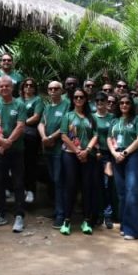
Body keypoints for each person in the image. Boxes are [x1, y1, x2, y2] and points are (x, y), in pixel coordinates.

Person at [0, 75, 28, 232]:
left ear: (12, 87)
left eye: (7, 86)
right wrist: (1, 141)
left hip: (16, 151)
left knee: (18, 183)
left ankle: (19, 216)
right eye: (1, 86)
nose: (4, 88)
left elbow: (21, 126)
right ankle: (0, 214)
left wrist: (8, 142)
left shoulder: (19, 104)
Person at [59, 88, 99, 235]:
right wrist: (77, 151)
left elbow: (95, 135)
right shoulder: (68, 116)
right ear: (72, 99)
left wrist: (86, 151)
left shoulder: (91, 118)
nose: (78, 99)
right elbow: (63, 135)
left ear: (86, 99)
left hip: (88, 156)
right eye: (76, 97)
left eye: (81, 97)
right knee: (70, 187)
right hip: (70, 155)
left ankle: (87, 221)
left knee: (87, 188)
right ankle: (67, 221)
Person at [108, 96, 138, 240]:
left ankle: (133, 230)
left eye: (127, 103)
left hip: (133, 156)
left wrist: (124, 153)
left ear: (131, 105)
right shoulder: (114, 121)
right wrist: (114, 153)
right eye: (122, 102)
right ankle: (124, 225)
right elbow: (109, 138)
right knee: (121, 193)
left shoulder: (137, 119)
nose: (124, 105)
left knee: (132, 191)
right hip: (117, 157)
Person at [39, 80, 68, 227]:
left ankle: (61, 214)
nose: (52, 91)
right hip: (48, 149)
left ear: (61, 90)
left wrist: (51, 137)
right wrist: (44, 137)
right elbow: (41, 123)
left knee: (59, 182)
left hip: (59, 150)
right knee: (53, 181)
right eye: (50, 89)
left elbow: (66, 125)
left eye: (56, 88)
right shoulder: (48, 106)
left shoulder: (67, 105)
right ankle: (57, 210)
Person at [92, 91, 116, 229]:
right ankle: (98, 214)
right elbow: (90, 134)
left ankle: (108, 215)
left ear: (107, 102)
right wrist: (97, 150)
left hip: (108, 156)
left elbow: (113, 136)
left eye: (103, 100)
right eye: (97, 101)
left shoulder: (112, 118)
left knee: (107, 186)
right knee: (96, 185)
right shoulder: (91, 117)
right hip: (94, 154)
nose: (100, 103)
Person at [20, 77, 44, 204]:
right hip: (18, 136)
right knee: (19, 164)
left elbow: (36, 117)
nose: (28, 87)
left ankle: (31, 190)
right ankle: (22, 188)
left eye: (31, 85)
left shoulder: (38, 100)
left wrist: (20, 123)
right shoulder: (18, 100)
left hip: (31, 136)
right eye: (26, 85)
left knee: (30, 163)